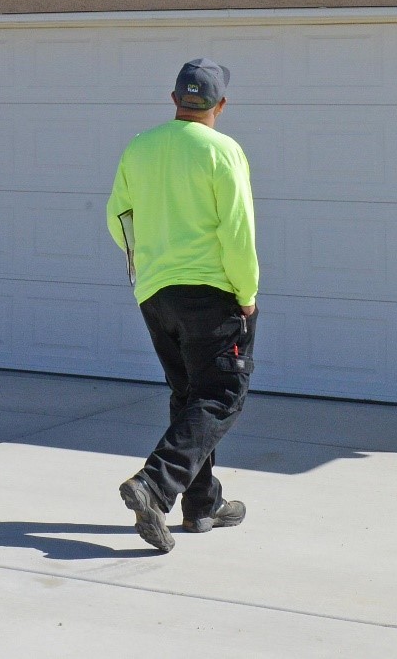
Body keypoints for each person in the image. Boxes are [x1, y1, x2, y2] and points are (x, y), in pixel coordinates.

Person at [105, 58, 259, 553]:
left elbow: (117, 217)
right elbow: (236, 230)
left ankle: (202, 505)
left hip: (155, 293)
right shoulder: (222, 151)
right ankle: (154, 484)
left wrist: (146, 264)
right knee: (220, 396)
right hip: (211, 294)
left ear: (174, 99)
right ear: (220, 105)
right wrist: (247, 292)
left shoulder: (140, 147)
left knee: (189, 395)